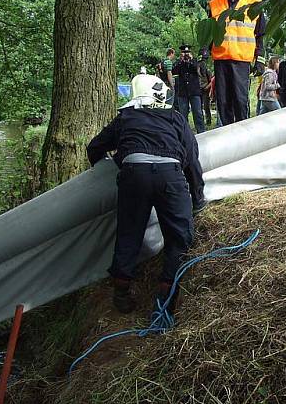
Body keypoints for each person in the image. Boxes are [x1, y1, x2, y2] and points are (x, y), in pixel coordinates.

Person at [86, 74, 207, 315]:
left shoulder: (127, 117)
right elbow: (192, 159)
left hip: (134, 175)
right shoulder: (176, 117)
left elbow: (95, 147)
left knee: (129, 233)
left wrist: (104, 174)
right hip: (170, 177)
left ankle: (121, 292)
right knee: (178, 236)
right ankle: (167, 291)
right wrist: (198, 198)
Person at [206, 0, 266, 125]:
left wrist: (260, 58)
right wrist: (203, 53)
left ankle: (244, 135)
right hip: (221, 59)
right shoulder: (214, 5)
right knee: (223, 102)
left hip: (241, 60)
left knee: (240, 101)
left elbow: (260, 34)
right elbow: (209, 32)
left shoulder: (254, 4)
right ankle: (227, 137)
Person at [173, 45, 206, 133]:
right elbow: (174, 71)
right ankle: (185, 133)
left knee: (198, 113)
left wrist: (191, 61)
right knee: (183, 114)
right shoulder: (178, 62)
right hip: (183, 92)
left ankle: (201, 131)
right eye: (184, 53)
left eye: (187, 53)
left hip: (194, 91)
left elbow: (199, 70)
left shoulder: (195, 61)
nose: (186, 54)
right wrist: (181, 61)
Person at [197, 49, 213, 126]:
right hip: (199, 88)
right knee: (201, 107)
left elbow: (211, 79)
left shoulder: (205, 66)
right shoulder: (199, 65)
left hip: (205, 88)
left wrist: (208, 86)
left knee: (206, 106)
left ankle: (208, 121)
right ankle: (205, 121)